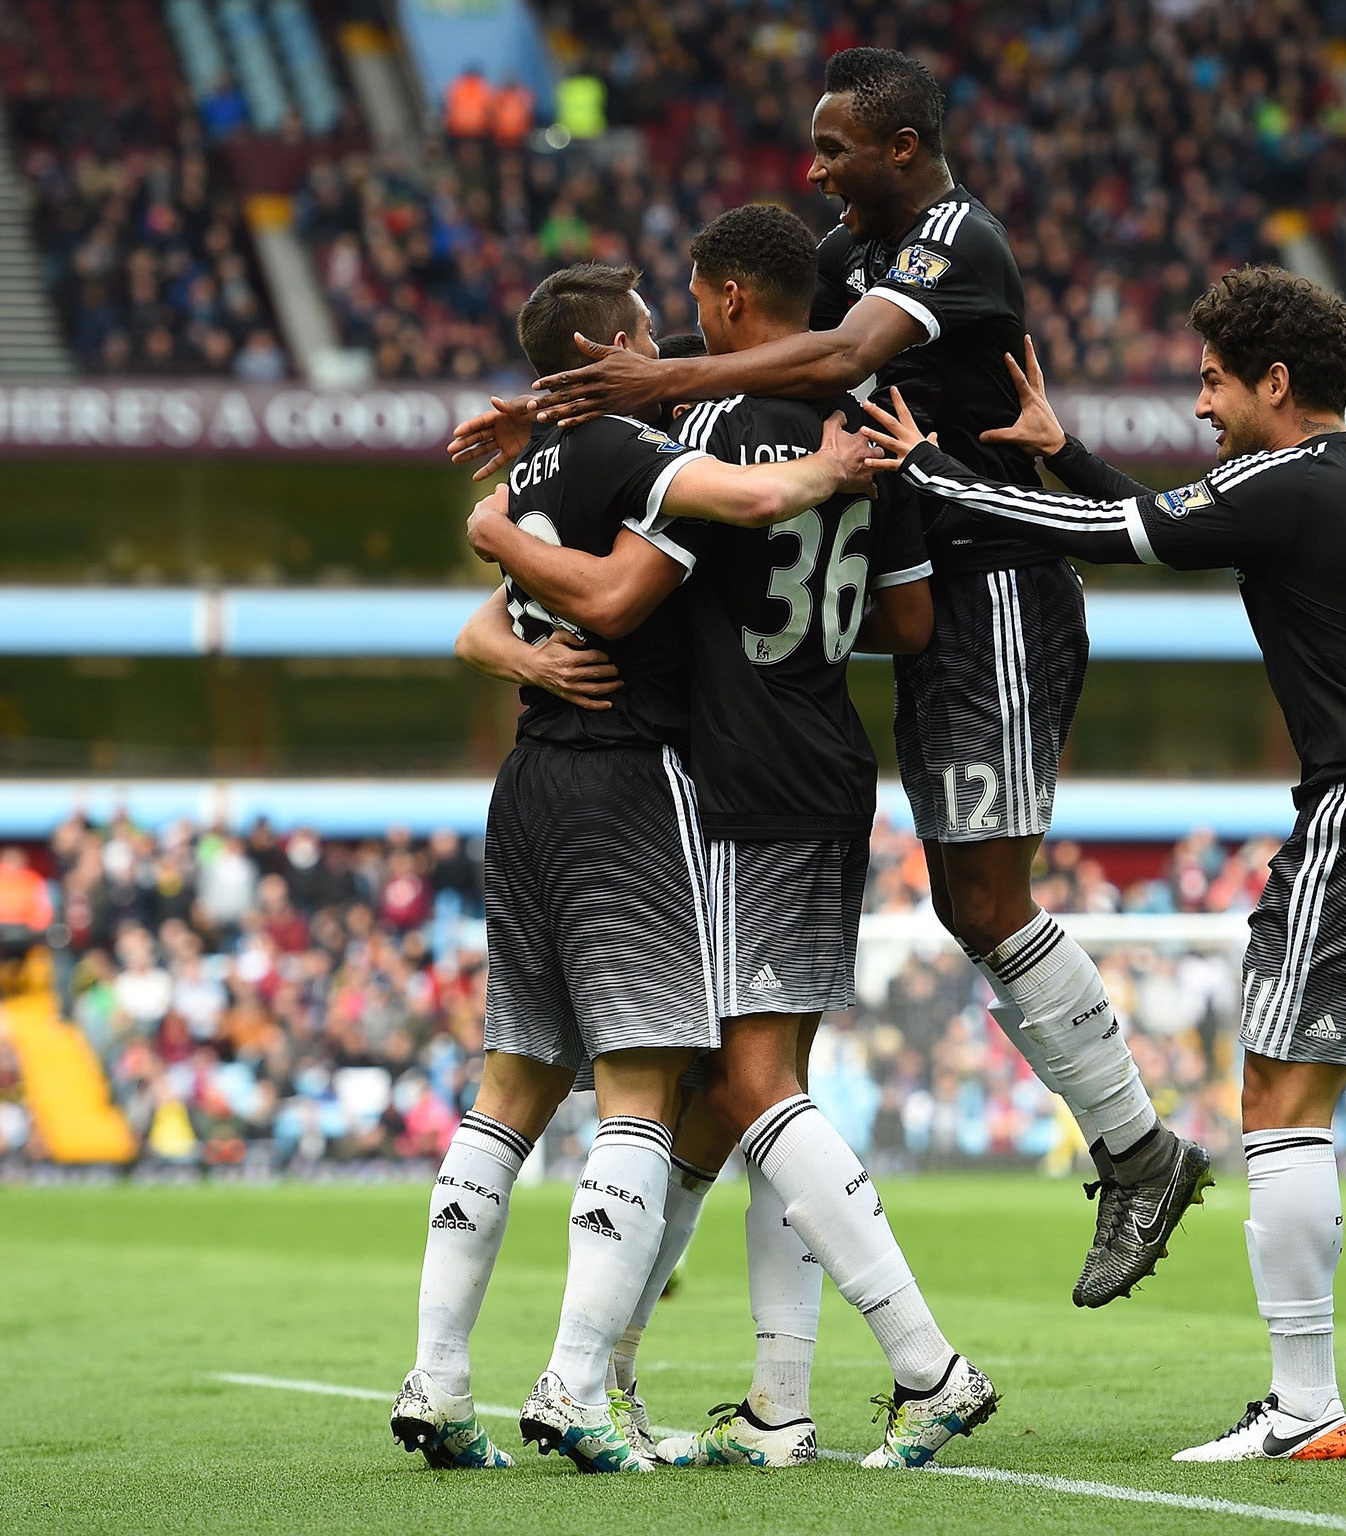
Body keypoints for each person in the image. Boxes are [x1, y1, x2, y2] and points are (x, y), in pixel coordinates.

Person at [447, 45, 1209, 1309]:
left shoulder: (955, 243)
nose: (815, 171)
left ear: (901, 146)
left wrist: (639, 387)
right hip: (910, 599)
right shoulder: (850, 253)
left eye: (835, 149)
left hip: (997, 591)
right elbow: (739, 350)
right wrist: (560, 410)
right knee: (747, 1049)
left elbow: (825, 360)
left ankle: (1134, 1150)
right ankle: (660, 1335)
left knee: (977, 900)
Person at [858, 265, 1346, 1464]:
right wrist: (1063, 449)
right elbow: (1183, 523)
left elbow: (1129, 538)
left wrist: (934, 476)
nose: (1201, 407)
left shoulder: (1289, 482)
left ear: (1277, 383)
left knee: (1277, 1105)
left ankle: (1302, 1405)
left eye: (1215, 383)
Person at [459, 207, 997, 1473]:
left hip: (721, 776)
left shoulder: (689, 429)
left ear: (724, 298)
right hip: (827, 765)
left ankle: (928, 1368)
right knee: (754, 1092)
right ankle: (776, 1406)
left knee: (749, 1091)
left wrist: (514, 507)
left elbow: (617, 590)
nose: (675, 336)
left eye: (689, 309)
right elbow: (908, 625)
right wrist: (798, 631)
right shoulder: (864, 417)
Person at [389, 260, 885, 1474]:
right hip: (626, 784)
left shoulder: (533, 473)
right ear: (607, 344)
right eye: (645, 335)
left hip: (528, 787)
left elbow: (480, 626)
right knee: (643, 1092)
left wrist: (516, 621)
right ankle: (576, 1391)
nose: (662, 349)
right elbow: (745, 513)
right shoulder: (622, 452)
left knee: (507, 1087)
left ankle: (438, 1383)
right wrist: (838, 465)